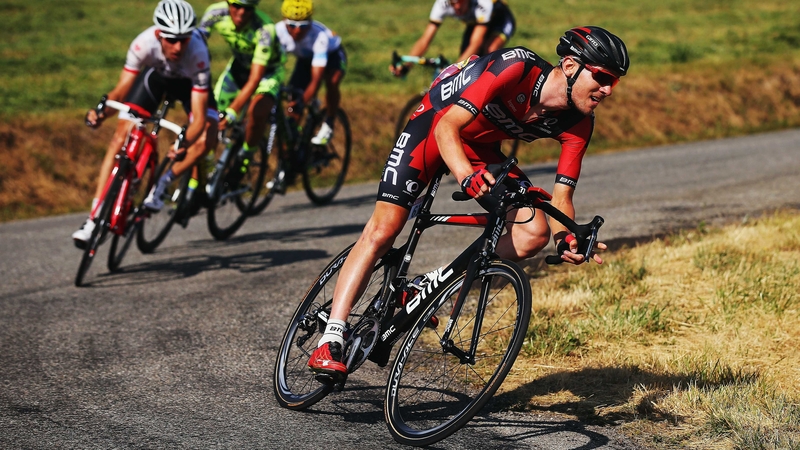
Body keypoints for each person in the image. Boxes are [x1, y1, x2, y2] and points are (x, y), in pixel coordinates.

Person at [308, 26, 630, 376]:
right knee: (384, 230)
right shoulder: (516, 67)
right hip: (435, 125)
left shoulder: (579, 123)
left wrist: (565, 236)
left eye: (614, 81)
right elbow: (448, 126)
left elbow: (563, 196)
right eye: (601, 77)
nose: (609, 89)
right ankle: (332, 338)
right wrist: (465, 175)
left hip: (481, 149)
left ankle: (427, 284)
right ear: (570, 66)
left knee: (532, 232)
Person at [72, 0, 218, 246]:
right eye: (171, 39)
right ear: (159, 34)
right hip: (157, 78)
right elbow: (121, 91)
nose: (178, 46)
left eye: (184, 39)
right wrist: (100, 114)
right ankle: (94, 219)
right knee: (119, 138)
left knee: (207, 139)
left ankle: (162, 184)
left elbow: (200, 117)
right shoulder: (143, 44)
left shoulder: (198, 54)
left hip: (189, 85)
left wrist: (185, 142)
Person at [198, 0, 286, 172]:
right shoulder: (215, 13)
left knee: (257, 111)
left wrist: (233, 110)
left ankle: (246, 155)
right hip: (238, 68)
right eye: (236, 6)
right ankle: (205, 173)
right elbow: (195, 44)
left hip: (267, 72)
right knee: (212, 116)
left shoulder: (264, 29)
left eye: (247, 8)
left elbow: (255, 79)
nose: (241, 13)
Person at [275, 0, 347, 145]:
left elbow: (316, 80)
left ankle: (329, 122)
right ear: (284, 21)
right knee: (293, 103)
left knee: (332, 82)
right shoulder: (277, 32)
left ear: (310, 21)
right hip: (306, 60)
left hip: (333, 56)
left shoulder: (319, 36)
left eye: (303, 25)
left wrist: (302, 102)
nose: (297, 31)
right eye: (292, 25)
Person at [390, 0, 515, 77]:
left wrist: (452, 70)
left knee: (489, 49)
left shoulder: (482, 2)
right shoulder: (442, 4)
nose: (457, 7)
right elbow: (425, 40)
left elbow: (476, 43)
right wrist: (406, 66)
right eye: (452, 2)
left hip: (500, 21)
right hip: (475, 24)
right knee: (466, 66)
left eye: (460, 1)